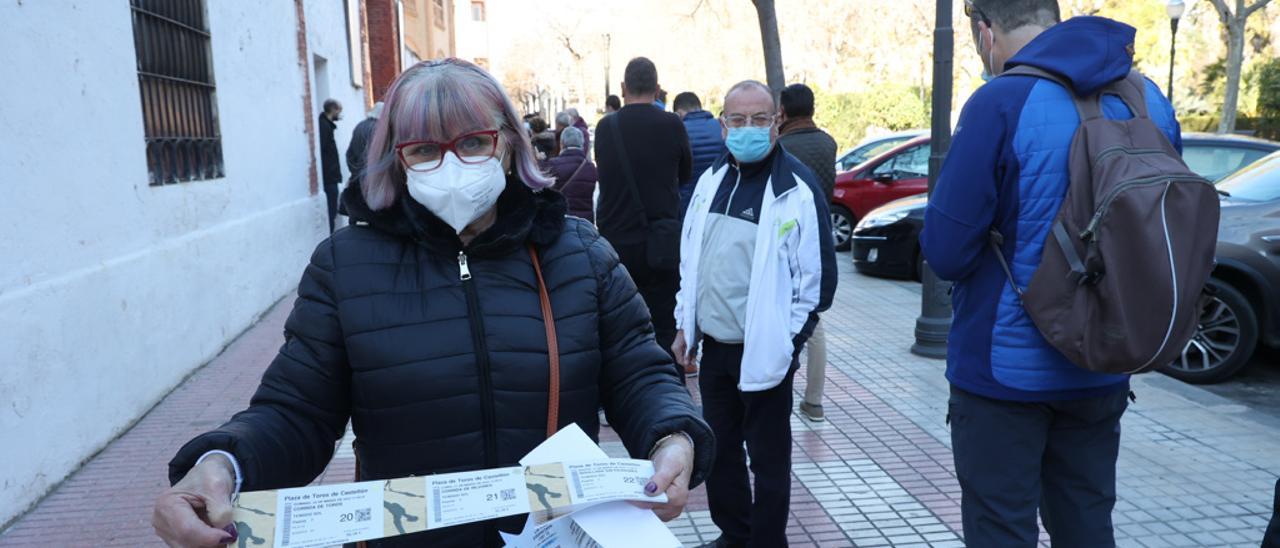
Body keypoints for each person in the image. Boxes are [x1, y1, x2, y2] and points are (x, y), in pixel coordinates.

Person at [152, 58, 713, 548]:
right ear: (397, 160)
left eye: (473, 142)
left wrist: (674, 437)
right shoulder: (344, 267)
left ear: (509, 141)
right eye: (425, 150)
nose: (452, 165)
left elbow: (640, 373)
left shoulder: (579, 253)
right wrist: (222, 463)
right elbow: (296, 410)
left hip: (561, 535)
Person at [919, 3, 1182, 546]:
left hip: (1002, 371)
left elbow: (946, 251)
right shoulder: (1148, 98)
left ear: (984, 30)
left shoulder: (1000, 101)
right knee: (1086, 521)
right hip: (1106, 357)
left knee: (1001, 526)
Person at [675, 80, 836, 548]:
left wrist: (786, 344)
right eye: (738, 120)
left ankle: (766, 542)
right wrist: (686, 323)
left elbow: (817, 286)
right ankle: (734, 533)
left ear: (776, 122)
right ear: (723, 125)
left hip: (764, 353)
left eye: (759, 119)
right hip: (715, 350)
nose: (748, 129)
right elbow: (692, 260)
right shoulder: (711, 181)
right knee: (721, 452)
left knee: (767, 460)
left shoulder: (797, 189)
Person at [594, 57, 692, 382]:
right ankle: (670, 394)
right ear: (657, 87)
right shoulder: (673, 124)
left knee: (620, 324)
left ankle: (621, 394)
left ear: (623, 89)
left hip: (617, 243)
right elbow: (685, 173)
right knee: (665, 323)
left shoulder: (607, 128)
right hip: (662, 243)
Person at [776, 83, 837, 423]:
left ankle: (777, 384)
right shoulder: (827, 142)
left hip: (788, 237)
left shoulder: (782, 147)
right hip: (820, 235)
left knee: (783, 314)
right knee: (814, 320)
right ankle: (814, 400)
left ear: (783, 111)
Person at [673, 91, 727, 215]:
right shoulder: (720, 127)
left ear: (679, 113)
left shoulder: (677, 131)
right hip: (718, 198)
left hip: (688, 201)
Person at [545, 127, 597, 222]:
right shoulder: (590, 167)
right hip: (586, 221)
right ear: (582, 144)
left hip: (562, 219)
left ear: (562, 143)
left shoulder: (552, 165)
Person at [342, 101, 384, 213]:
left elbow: (349, 153)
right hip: (372, 176)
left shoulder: (359, 125)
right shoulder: (378, 129)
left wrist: (355, 171)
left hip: (358, 175)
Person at [318, 98, 344, 233]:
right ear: (333, 110)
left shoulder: (327, 125)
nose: (339, 114)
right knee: (331, 210)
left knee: (333, 209)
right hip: (329, 177)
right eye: (339, 111)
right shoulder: (324, 126)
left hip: (330, 176)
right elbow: (323, 152)